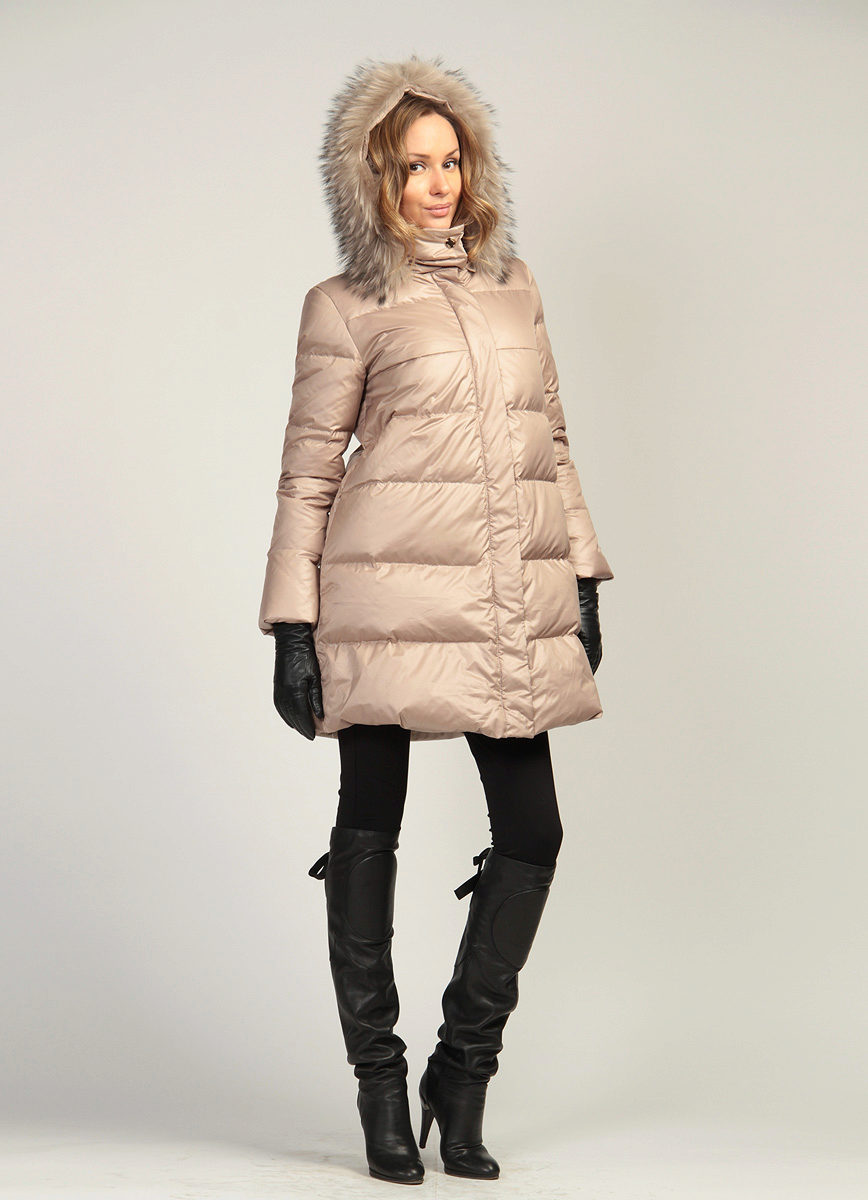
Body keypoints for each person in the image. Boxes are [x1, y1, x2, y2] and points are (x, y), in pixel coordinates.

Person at [257, 54, 614, 1184]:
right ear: (374, 181)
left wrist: (583, 577)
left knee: (533, 833)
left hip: (508, 601)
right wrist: (294, 627)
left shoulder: (517, 289)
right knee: (371, 825)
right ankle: (379, 1084)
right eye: (413, 166)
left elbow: (552, 440)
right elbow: (309, 471)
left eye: (451, 160)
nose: (437, 183)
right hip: (382, 603)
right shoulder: (344, 307)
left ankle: (462, 1075)